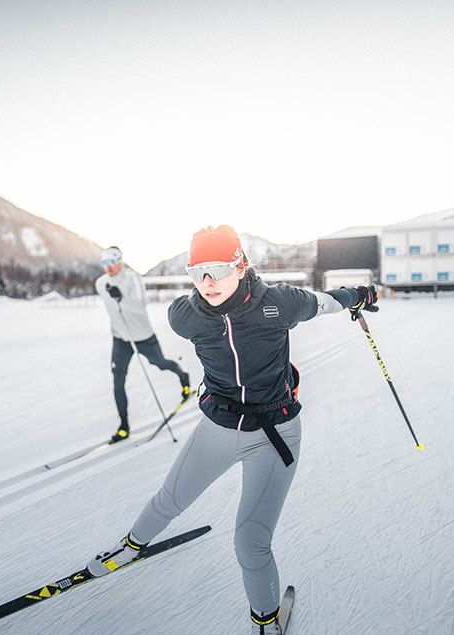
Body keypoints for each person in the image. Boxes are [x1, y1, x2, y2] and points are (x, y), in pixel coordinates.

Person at [87, 226, 378, 634]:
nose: (207, 282)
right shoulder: (183, 316)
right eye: (197, 272)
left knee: (250, 542)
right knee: (169, 499)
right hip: (218, 427)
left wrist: (359, 295)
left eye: (218, 269)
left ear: (240, 264)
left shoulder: (279, 302)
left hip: (274, 436)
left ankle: (266, 622)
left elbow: (325, 302)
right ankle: (131, 547)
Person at [95, 246, 191, 443]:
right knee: (118, 379)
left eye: (112, 262)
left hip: (143, 336)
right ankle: (123, 426)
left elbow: (139, 306)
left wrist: (121, 297)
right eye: (104, 263)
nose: (108, 267)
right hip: (121, 338)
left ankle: (183, 376)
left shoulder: (133, 279)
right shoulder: (101, 283)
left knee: (160, 364)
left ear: (120, 261)